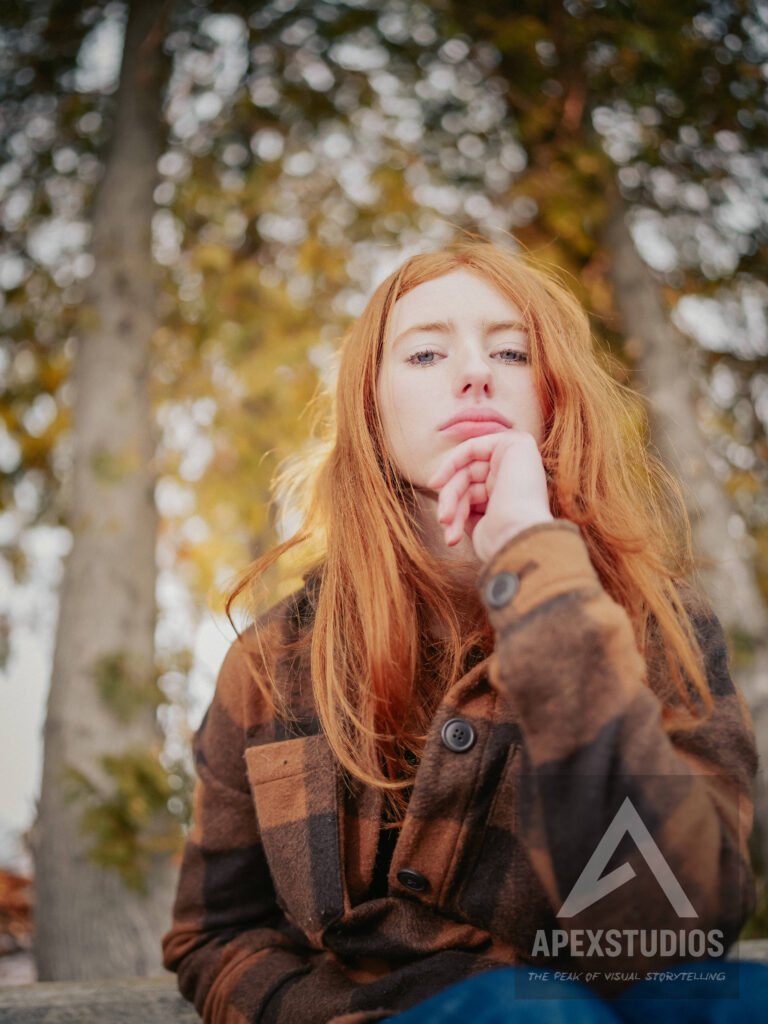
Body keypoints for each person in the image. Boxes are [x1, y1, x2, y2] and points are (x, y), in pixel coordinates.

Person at [161, 241, 767, 1023]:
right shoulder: (270, 662)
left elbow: (673, 933)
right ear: (371, 411)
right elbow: (214, 937)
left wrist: (530, 555)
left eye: (512, 351)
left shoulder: (663, 627)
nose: (476, 373)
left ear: (551, 398)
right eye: (425, 353)